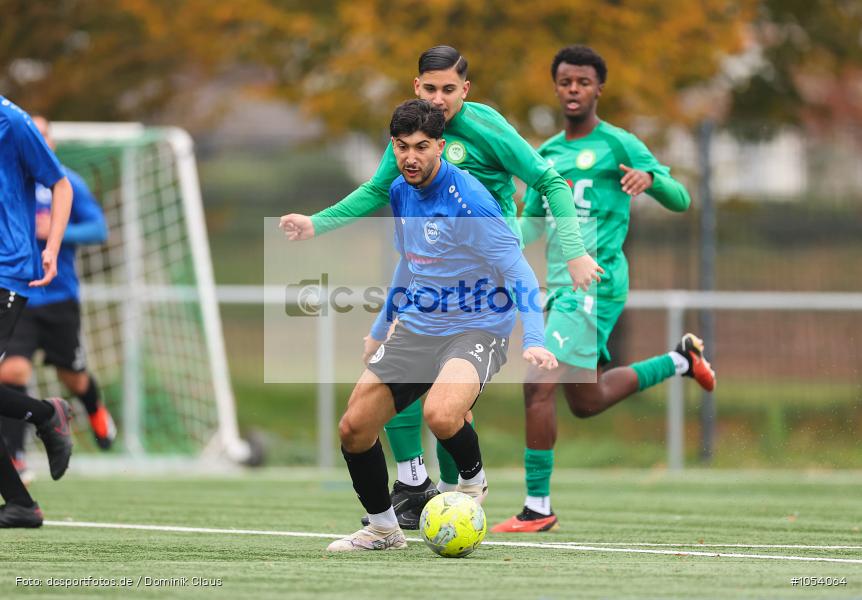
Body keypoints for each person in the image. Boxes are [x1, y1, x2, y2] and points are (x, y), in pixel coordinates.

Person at [281, 46, 602, 528]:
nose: (438, 99)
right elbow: (377, 194)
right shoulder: (412, 139)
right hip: (432, 276)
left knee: (445, 410)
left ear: (465, 90)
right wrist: (317, 224)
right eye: (429, 89)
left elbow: (550, 181)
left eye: (448, 90)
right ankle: (412, 484)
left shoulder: (484, 131)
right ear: (416, 88)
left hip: (485, 281)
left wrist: (574, 250)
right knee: (381, 397)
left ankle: (463, 488)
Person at [491, 45, 716, 533]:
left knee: (536, 384)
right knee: (585, 401)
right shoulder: (546, 154)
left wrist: (652, 178)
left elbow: (680, 199)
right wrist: (496, 233)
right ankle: (681, 360)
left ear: (598, 89)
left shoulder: (619, 144)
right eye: (566, 81)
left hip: (596, 284)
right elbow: (532, 227)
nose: (574, 89)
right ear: (556, 87)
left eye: (583, 82)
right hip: (559, 289)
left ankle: (537, 507)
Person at [326, 99, 556, 551]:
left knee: (441, 414)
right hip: (418, 327)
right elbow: (411, 263)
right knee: (354, 428)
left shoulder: (468, 200)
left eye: (422, 147)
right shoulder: (399, 190)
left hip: (478, 327)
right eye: (401, 146)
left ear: (440, 146)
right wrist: (382, 326)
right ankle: (383, 530)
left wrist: (534, 337)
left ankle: (473, 482)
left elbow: (518, 270)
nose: (410, 157)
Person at [0, 115, 114, 482]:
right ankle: (17, 457)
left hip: (60, 297)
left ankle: (94, 411)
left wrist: (56, 233)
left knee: (73, 376)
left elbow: (99, 228)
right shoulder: (11, 178)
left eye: (43, 134)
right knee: (11, 370)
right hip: (20, 293)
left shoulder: (66, 184)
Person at [0, 95, 75, 527]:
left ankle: (48, 415)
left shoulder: (12, 122)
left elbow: (58, 183)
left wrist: (52, 246)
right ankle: (20, 504)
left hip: (6, 272)